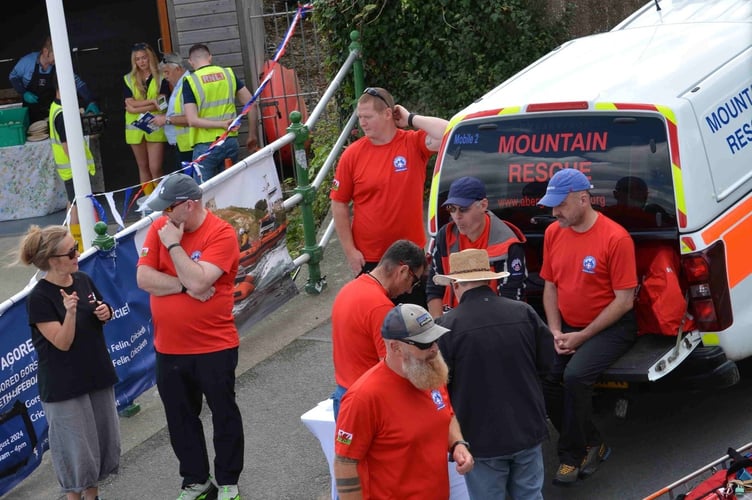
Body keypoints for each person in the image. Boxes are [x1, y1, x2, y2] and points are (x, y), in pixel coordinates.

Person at [136, 173, 244, 500]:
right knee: (180, 418)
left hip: (214, 345)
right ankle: (196, 479)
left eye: (169, 208)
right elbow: (143, 278)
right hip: (169, 348)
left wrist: (173, 246)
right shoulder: (159, 228)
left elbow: (203, 281)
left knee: (224, 413)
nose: (163, 216)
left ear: (189, 205)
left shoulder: (221, 234)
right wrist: (183, 285)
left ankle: (228, 480)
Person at [537, 168, 638, 485]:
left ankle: (572, 455)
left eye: (561, 205)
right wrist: (555, 331)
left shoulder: (615, 238)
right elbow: (550, 286)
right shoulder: (554, 233)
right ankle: (593, 440)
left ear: (584, 199)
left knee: (575, 376)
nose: (555, 212)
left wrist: (581, 336)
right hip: (568, 326)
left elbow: (624, 301)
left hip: (612, 327)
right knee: (547, 381)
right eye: (552, 206)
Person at [434, 248, 555, 499]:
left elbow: (439, 386)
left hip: (480, 438)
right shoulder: (523, 313)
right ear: (491, 280)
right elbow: (547, 364)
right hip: (527, 428)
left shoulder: (446, 327)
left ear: (455, 285)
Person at [19, 225, 119, 500]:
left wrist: (105, 312)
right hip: (64, 387)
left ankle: (94, 496)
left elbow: (101, 312)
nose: (78, 253)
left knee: (98, 445)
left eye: (76, 246)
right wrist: (70, 313)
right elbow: (62, 343)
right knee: (76, 455)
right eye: (71, 250)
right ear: (53, 260)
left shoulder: (83, 279)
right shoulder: (39, 297)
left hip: (96, 374)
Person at [334, 303, 474, 499]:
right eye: (424, 344)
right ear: (396, 347)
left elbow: (446, 414)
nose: (434, 349)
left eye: (435, 340)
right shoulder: (363, 397)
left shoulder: (430, 373)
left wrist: (458, 443)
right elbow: (345, 462)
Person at [329, 86, 448, 304]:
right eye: (360, 117)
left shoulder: (412, 143)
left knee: (415, 320)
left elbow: (448, 132)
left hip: (410, 257)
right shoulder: (352, 155)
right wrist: (350, 251)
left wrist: (411, 118)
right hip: (371, 258)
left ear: (387, 114)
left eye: (368, 117)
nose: (362, 123)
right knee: (376, 320)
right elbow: (339, 204)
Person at [330, 239, 427, 420]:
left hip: (344, 397)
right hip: (368, 404)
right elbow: (392, 369)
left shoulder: (348, 290)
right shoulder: (381, 307)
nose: (408, 291)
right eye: (413, 282)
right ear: (404, 271)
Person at [427, 176, 527, 318]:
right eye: (452, 209)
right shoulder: (445, 235)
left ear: (484, 205)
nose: (457, 216)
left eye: (463, 209)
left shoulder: (507, 243)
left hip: (493, 323)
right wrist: (438, 329)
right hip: (452, 321)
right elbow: (434, 288)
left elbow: (511, 300)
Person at [183, 43, 259, 182]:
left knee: (204, 195)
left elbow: (192, 120)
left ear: (190, 62)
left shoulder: (190, 81)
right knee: (230, 188)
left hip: (206, 148)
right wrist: (252, 135)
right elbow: (251, 104)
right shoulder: (228, 73)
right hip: (230, 142)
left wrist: (221, 124)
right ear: (210, 57)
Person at [49, 79, 97, 250]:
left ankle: (73, 239)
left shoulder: (56, 108)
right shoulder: (62, 114)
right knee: (76, 206)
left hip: (68, 169)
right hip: (72, 169)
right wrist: (79, 167)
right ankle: (78, 244)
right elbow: (66, 144)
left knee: (72, 204)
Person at [9, 36, 99, 122]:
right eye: (56, 54)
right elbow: (13, 76)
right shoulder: (27, 62)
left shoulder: (60, 65)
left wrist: (90, 101)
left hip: (52, 110)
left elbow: (77, 83)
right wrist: (24, 93)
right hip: (31, 111)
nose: (58, 58)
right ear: (45, 51)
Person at [124, 42, 169, 194]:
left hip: (154, 125)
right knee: (143, 167)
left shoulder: (161, 76)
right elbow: (129, 103)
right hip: (134, 128)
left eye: (144, 58)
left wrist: (135, 108)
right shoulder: (128, 78)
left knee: (155, 167)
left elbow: (161, 104)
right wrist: (151, 101)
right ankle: (149, 201)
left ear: (150, 58)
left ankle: (162, 201)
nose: (142, 62)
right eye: (138, 59)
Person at [148, 52, 193, 171]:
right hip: (182, 144)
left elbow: (191, 118)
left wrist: (166, 119)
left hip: (189, 145)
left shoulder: (187, 86)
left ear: (178, 69)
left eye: (167, 72)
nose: (165, 76)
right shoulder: (179, 86)